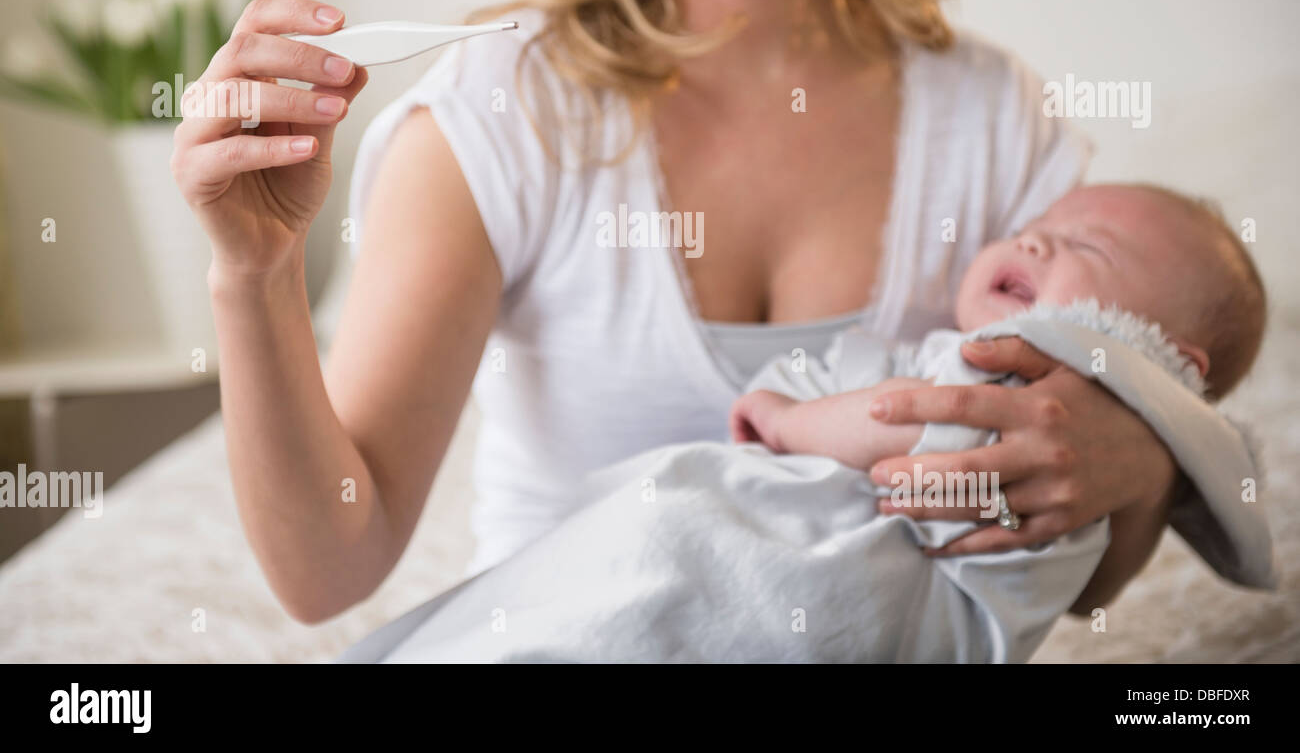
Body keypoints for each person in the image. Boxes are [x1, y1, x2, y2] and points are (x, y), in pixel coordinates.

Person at [171, 0, 1232, 626]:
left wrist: (1141, 453)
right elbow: (326, 569)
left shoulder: (995, 128)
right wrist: (251, 276)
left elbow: (1077, 586)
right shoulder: (493, 119)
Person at [336, 182, 1269, 662]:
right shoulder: (946, 357)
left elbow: (916, 443)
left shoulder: (1038, 412)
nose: (1032, 240)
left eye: (1086, 248)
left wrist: (790, 420)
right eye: (1039, 225)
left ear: (1160, 358)